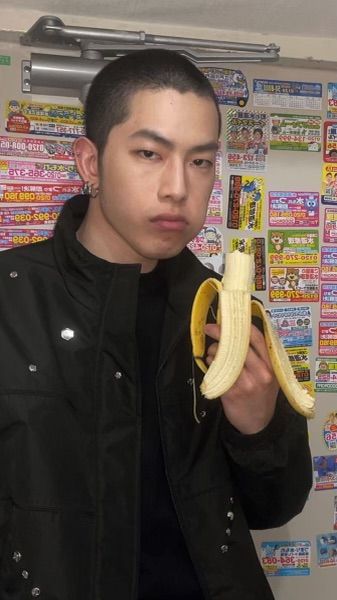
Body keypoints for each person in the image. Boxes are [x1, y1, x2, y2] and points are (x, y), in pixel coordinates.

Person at [0, 49, 312, 600]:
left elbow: (274, 507)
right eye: (149, 153)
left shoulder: (223, 313)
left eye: (200, 161)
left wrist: (260, 427)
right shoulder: (12, 299)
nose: (177, 188)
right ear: (90, 163)